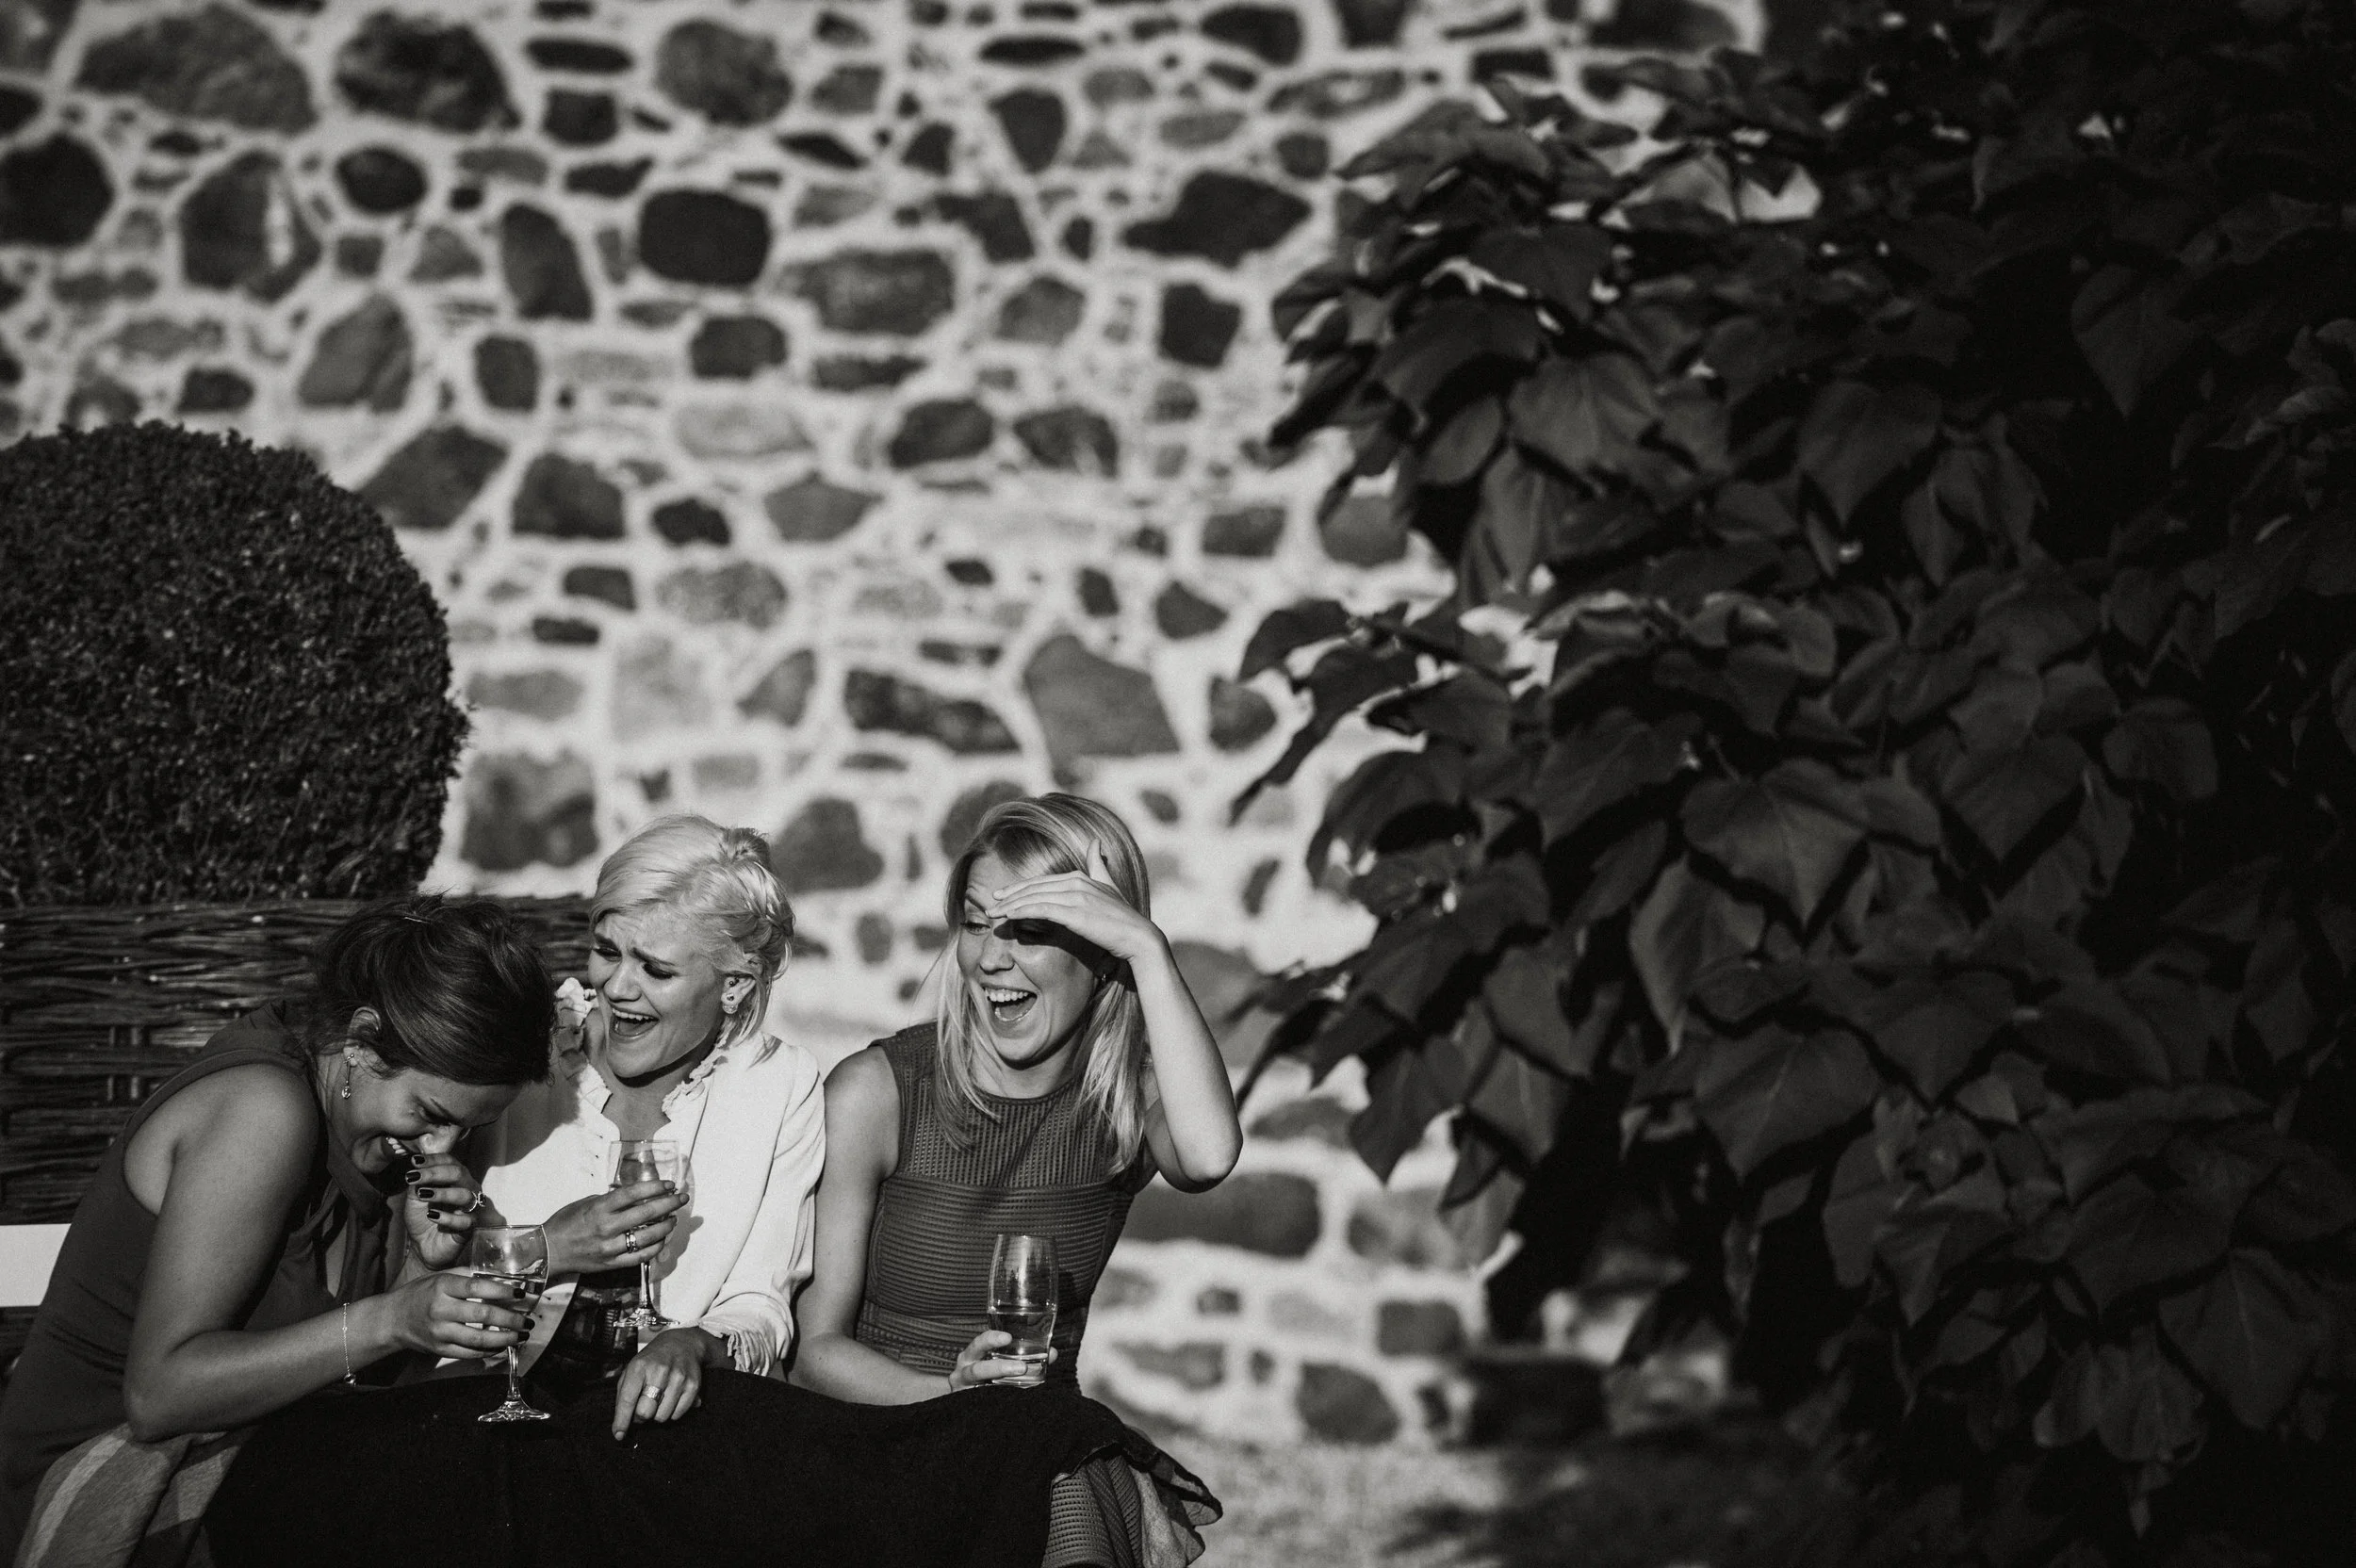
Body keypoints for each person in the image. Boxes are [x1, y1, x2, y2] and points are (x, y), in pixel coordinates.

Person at [0, 894, 553, 1559]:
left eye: (470, 1127)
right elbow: (159, 1394)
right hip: (101, 1487)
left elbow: (360, 1393)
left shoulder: (375, 1140)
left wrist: (421, 1268)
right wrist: (391, 1317)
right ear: (360, 1041)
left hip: (251, 1469)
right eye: (431, 1113)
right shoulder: (264, 1111)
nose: (444, 1147)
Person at [793, 792, 1240, 1567]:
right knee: (1052, 1466)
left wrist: (1148, 950)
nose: (993, 958)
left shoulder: (1121, 1101)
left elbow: (1206, 1157)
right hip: (881, 1439)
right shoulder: (877, 1092)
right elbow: (812, 1350)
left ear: (1100, 951)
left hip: (1038, 1453)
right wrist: (959, 1402)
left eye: (1033, 931)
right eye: (977, 923)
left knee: (1060, 1475)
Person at [471, 813, 825, 1439]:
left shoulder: (777, 1085)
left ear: (735, 986)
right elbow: (435, 1273)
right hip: (494, 1411)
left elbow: (759, 1306)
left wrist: (693, 1346)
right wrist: (547, 1250)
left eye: (657, 970)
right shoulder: (525, 1052)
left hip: (668, 1427)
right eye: (606, 952)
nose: (617, 986)